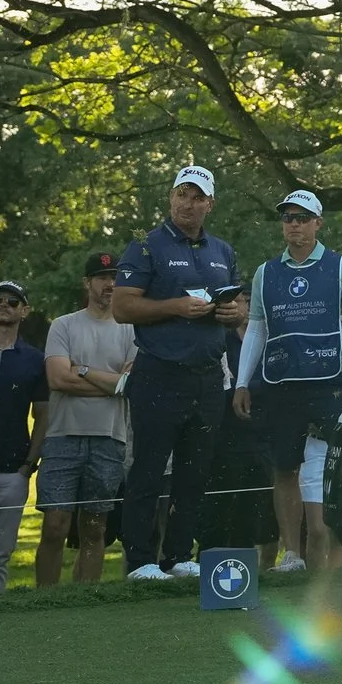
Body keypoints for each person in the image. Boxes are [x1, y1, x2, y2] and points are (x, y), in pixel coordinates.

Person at [111, 165, 247, 582]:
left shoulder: (223, 251)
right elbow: (122, 307)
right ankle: (140, 561)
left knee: (195, 470)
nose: (188, 204)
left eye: (197, 196)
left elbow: (239, 306)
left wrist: (231, 312)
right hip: (158, 373)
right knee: (149, 470)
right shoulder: (145, 245)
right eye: (181, 194)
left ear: (210, 204)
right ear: (171, 198)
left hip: (207, 376)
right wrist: (174, 306)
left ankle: (178, 554)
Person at [234, 190, 342, 573]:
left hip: (328, 382)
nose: (294, 224)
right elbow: (256, 330)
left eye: (302, 218)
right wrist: (241, 383)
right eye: (287, 218)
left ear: (318, 223)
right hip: (281, 384)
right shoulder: (267, 272)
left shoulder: (339, 265)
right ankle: (292, 555)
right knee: (284, 469)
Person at [38, 253, 134, 587]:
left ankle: (84, 598)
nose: (110, 284)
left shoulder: (132, 329)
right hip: (63, 435)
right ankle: (44, 600)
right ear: (87, 282)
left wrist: (80, 369)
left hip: (110, 438)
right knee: (55, 524)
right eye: (102, 277)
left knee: (95, 526)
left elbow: (129, 387)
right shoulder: (63, 325)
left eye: (116, 277)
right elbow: (57, 380)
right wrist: (110, 384)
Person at [0, 279, 48, 595]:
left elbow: (43, 415)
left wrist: (28, 465)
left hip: (12, 471)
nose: (4, 305)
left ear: (25, 311)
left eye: (13, 302)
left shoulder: (35, 359)